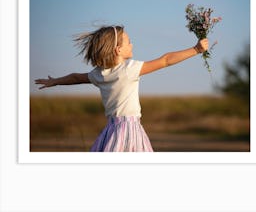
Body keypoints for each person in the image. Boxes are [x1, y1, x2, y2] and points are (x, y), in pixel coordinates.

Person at [35, 25, 208, 152]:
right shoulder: (129, 69)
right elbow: (166, 60)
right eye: (129, 42)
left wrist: (55, 81)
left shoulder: (99, 74)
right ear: (118, 50)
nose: (132, 45)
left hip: (111, 129)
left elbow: (75, 77)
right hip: (130, 129)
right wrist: (195, 49)